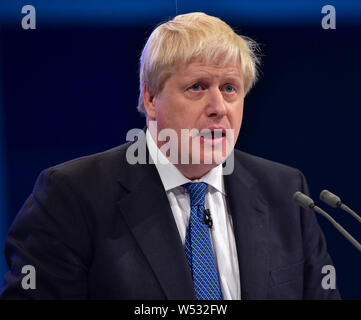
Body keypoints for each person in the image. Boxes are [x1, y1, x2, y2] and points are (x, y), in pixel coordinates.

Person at [0, 12, 340, 300]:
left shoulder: (286, 193)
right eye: (197, 87)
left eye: (230, 89)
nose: (219, 108)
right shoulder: (73, 195)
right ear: (150, 99)